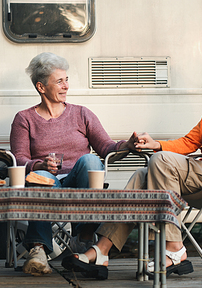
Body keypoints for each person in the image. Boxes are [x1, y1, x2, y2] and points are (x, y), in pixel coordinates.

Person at [61, 38, 202, 280]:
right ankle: (102, 251)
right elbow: (191, 141)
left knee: (161, 162)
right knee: (142, 176)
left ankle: (174, 247)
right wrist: (157, 144)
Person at [9, 52, 140, 276]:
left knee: (90, 159)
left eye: (66, 80)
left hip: (78, 182)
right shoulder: (24, 119)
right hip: (49, 182)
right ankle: (38, 251)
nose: (66, 86)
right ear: (41, 87)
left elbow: (106, 147)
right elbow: (19, 158)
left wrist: (126, 145)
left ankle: (85, 236)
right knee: (41, 180)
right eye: (59, 81)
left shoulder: (81, 114)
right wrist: (39, 165)